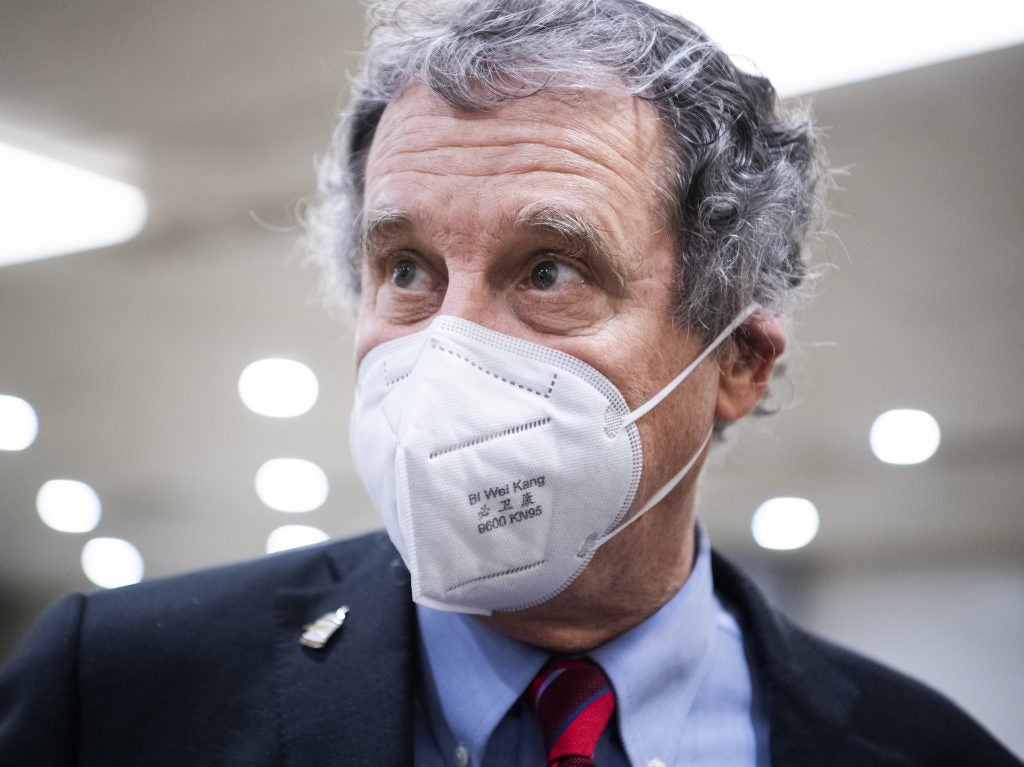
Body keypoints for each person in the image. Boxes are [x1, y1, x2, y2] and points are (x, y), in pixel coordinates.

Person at [0, 1, 1019, 765]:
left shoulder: (927, 751)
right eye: (406, 270)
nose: (448, 350)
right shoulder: (119, 690)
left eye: (548, 270)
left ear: (737, 363)